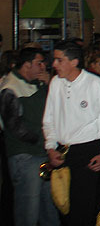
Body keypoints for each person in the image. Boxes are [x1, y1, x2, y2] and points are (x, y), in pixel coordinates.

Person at [42, 40, 100, 226]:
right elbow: (48, 120)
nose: (54, 65)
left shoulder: (95, 84)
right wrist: (50, 147)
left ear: (74, 62)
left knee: (83, 208)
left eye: (59, 60)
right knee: (62, 205)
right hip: (62, 152)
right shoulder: (56, 83)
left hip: (88, 152)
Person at [0, 47, 59, 226]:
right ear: (26, 65)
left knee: (49, 207)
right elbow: (15, 127)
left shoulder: (39, 84)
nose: (44, 67)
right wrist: (44, 141)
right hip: (26, 156)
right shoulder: (10, 88)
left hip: (43, 154)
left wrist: (50, 85)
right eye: (39, 63)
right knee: (28, 209)